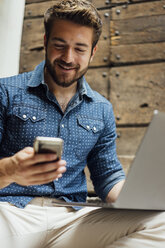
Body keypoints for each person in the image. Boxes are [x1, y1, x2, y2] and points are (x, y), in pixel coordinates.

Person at [0, 1, 164, 247]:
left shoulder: (101, 108)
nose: (68, 58)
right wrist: (10, 169)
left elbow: (108, 177)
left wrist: (144, 196)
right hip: (10, 212)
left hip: (71, 219)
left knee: (161, 222)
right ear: (45, 41)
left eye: (79, 49)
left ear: (93, 52)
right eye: (59, 45)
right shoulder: (6, 91)